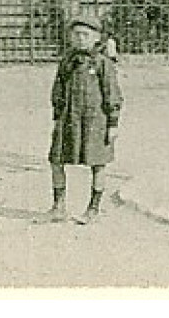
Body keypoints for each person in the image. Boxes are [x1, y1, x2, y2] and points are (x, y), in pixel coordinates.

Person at [45, 15, 123, 224]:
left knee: (98, 164)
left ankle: (93, 209)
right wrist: (57, 115)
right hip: (68, 119)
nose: (80, 39)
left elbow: (112, 94)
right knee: (56, 160)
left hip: (95, 121)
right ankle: (58, 206)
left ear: (96, 37)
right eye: (76, 34)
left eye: (85, 35)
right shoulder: (67, 62)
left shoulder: (103, 63)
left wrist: (113, 124)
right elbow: (58, 89)